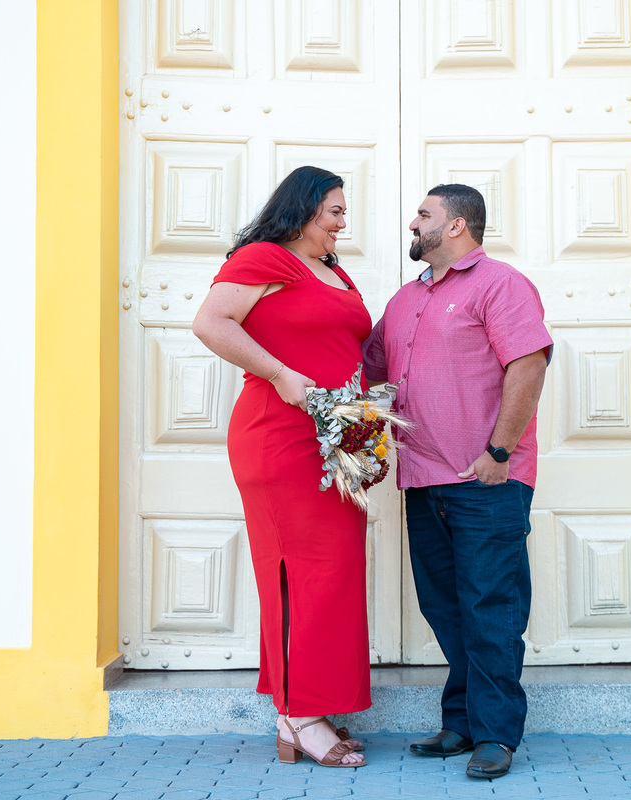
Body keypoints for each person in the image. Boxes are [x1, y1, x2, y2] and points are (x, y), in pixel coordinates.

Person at [362, 184, 551, 779]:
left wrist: (500, 450)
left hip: (486, 479)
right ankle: (463, 721)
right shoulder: (403, 300)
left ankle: (496, 734)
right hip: (422, 480)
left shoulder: (501, 284)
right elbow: (370, 371)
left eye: (424, 214)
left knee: (490, 607)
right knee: (445, 608)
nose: (412, 223)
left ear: (457, 226)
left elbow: (529, 363)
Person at [192, 166, 369, 768]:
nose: (344, 222)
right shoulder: (264, 258)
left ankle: (312, 704)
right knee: (297, 573)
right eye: (336, 211)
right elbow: (211, 323)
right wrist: (278, 373)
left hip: (333, 442)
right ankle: (297, 717)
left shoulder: (334, 270)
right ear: (303, 208)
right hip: (279, 435)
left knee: (335, 571)